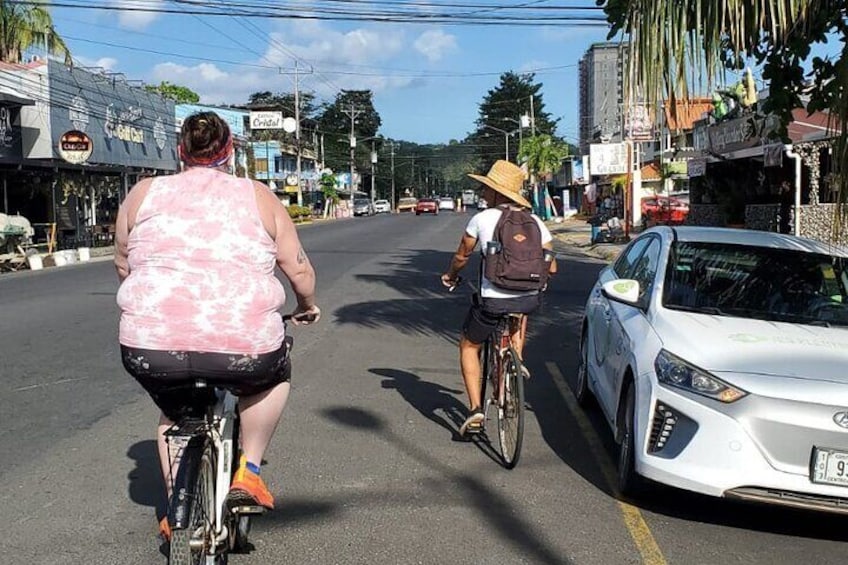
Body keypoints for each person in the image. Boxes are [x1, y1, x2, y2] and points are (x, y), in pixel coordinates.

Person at [114, 111, 320, 540]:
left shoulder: (142, 194)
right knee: (274, 376)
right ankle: (250, 472)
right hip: (245, 347)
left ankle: (177, 509)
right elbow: (298, 270)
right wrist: (307, 304)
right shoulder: (259, 196)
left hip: (149, 348)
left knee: (173, 414)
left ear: (179, 152)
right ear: (230, 152)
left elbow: (124, 264)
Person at [440, 160, 556, 436]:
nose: (482, 193)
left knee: (469, 346)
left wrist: (451, 276)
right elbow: (551, 266)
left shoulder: (481, 219)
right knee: (521, 310)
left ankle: (476, 410)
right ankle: (515, 363)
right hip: (528, 298)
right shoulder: (536, 222)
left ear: (497, 194)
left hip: (492, 300)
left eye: (486, 189)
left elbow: (462, 256)